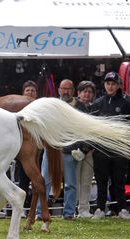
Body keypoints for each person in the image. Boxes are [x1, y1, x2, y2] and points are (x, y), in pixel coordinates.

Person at [90, 72, 130, 219]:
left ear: (118, 85)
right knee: (101, 181)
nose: (110, 86)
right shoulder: (97, 103)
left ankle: (122, 209)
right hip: (101, 149)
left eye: (113, 83)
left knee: (119, 181)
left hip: (119, 149)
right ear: (104, 85)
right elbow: (92, 127)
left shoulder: (125, 103)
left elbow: (129, 125)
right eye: (108, 83)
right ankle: (100, 209)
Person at [57, 79, 88, 220]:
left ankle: (69, 213)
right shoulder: (53, 105)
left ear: (73, 90)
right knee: (45, 182)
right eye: (63, 88)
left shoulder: (80, 106)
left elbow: (84, 130)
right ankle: (40, 212)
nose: (66, 91)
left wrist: (80, 148)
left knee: (70, 184)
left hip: (70, 151)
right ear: (59, 90)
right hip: (52, 151)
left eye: (68, 89)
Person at [75, 80, 96, 218]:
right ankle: (72, 207)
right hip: (76, 150)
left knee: (87, 180)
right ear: (79, 93)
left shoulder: (96, 108)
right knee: (74, 180)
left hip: (91, 150)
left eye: (89, 92)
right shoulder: (74, 107)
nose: (87, 94)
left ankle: (84, 209)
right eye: (84, 91)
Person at [17, 80, 38, 213]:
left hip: (38, 149)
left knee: (38, 180)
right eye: (27, 90)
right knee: (23, 180)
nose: (30, 92)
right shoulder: (18, 109)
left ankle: (37, 209)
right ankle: (23, 209)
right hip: (23, 149)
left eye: (32, 90)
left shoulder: (39, 109)